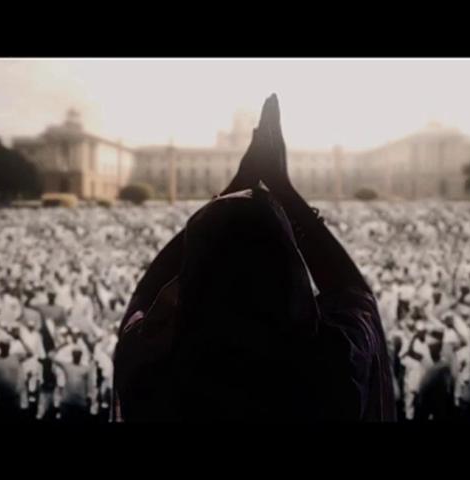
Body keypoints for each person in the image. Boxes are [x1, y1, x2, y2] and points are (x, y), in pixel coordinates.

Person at [114, 95, 395, 421]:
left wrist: (234, 189)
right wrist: (285, 190)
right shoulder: (330, 370)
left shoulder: (153, 368)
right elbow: (357, 297)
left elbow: (145, 296)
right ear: (291, 272)